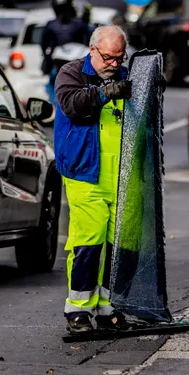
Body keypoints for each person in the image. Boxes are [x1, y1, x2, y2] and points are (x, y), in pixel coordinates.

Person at [54, 25, 132, 333]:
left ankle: (108, 307)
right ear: (93, 49)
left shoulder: (126, 76)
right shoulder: (71, 73)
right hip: (85, 172)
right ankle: (78, 310)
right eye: (109, 58)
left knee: (117, 244)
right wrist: (103, 92)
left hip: (119, 176)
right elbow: (72, 105)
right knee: (89, 240)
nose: (114, 64)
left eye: (119, 58)